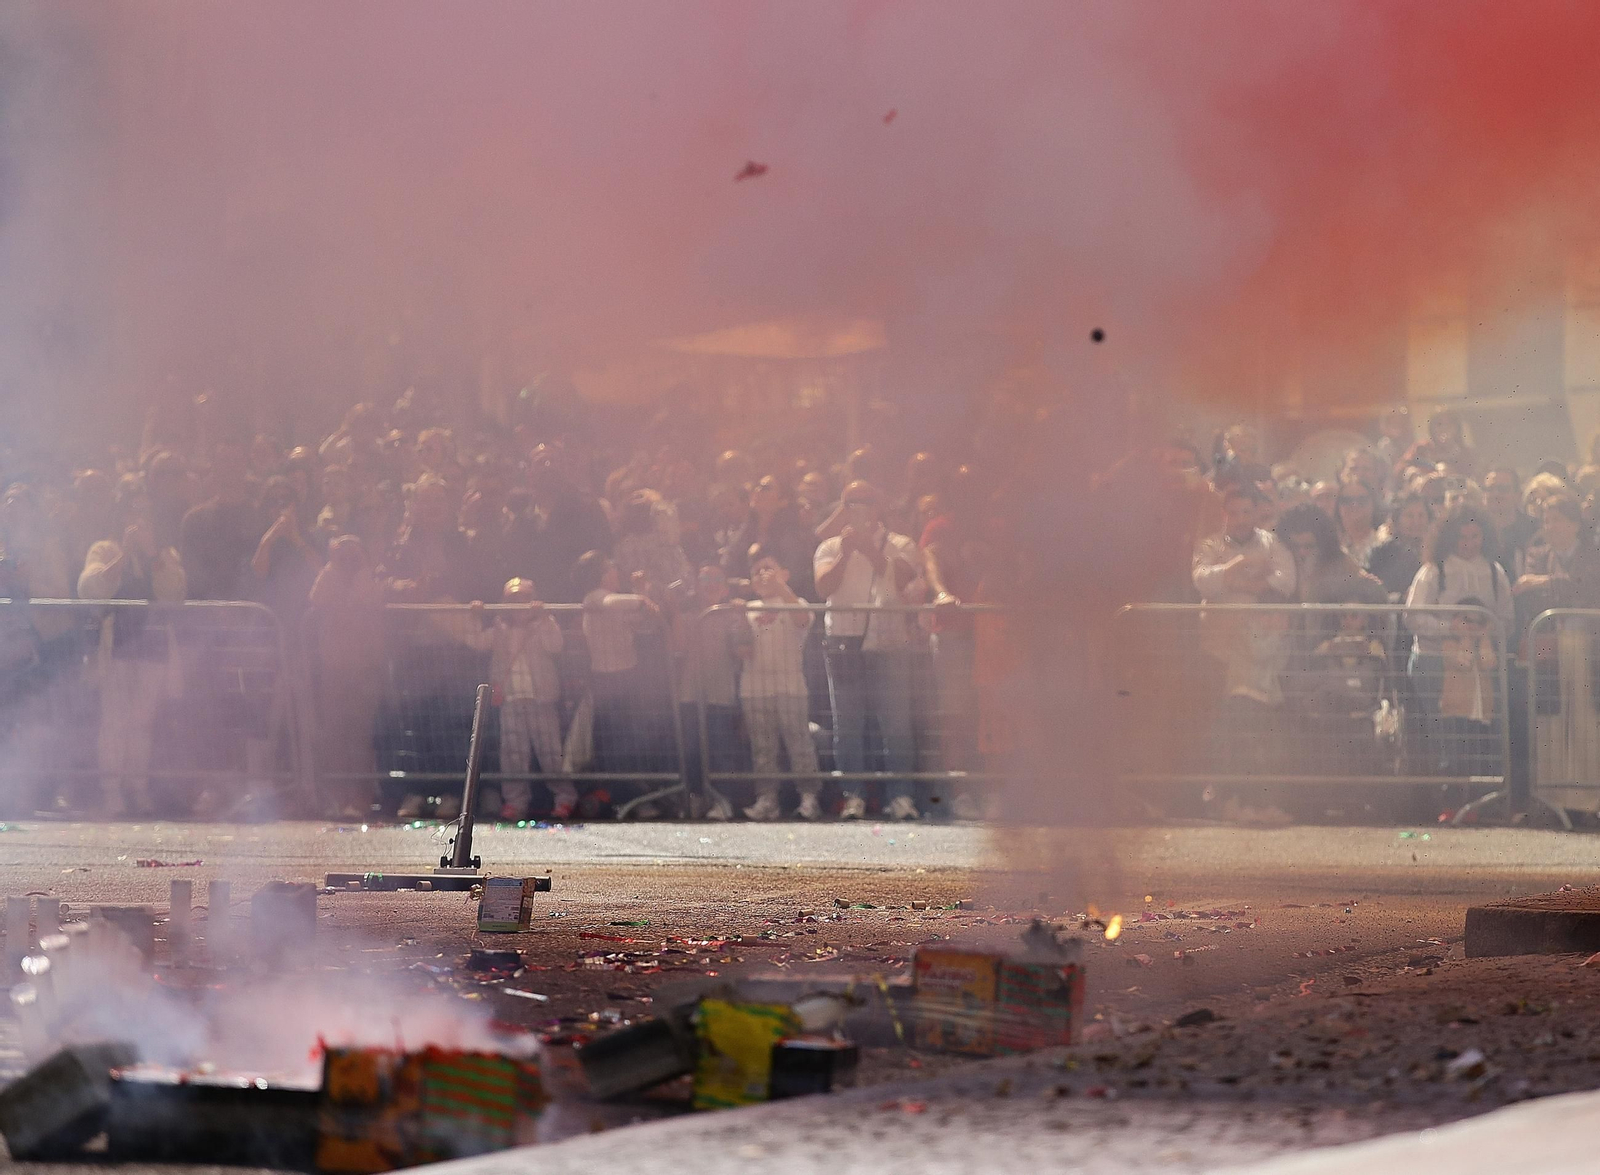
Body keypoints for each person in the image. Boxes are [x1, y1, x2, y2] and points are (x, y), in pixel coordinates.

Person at [812, 481, 925, 820]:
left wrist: (871, 550)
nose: (858, 508)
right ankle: (853, 796)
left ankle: (901, 795)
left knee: (896, 723)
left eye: (864, 501)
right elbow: (822, 587)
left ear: (878, 508)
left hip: (889, 641)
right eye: (850, 502)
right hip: (844, 641)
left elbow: (903, 579)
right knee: (847, 724)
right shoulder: (830, 546)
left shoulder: (900, 543)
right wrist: (848, 552)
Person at [78, 498, 187, 816]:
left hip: (152, 646)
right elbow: (90, 589)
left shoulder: (164, 554)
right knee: (114, 721)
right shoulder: (103, 550)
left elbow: (174, 592)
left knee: (143, 723)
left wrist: (152, 554)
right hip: (118, 646)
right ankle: (112, 792)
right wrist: (124, 553)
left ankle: (137, 788)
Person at [465, 578, 573, 821]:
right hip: (511, 701)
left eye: (523, 598)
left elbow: (556, 646)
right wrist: (474, 617)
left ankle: (565, 798)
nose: (519, 605)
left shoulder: (544, 623)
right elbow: (475, 642)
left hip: (541, 699)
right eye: (513, 600)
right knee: (513, 756)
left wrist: (544, 618)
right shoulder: (499, 629)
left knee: (551, 754)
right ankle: (515, 802)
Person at [1403, 506, 1514, 732]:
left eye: (1475, 537)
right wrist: (1450, 627)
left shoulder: (1495, 572)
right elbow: (1413, 617)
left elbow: (1507, 620)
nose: (1469, 544)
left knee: (1480, 731)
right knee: (1438, 730)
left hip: (1480, 665)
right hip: (1435, 661)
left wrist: (1486, 631)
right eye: (1462, 537)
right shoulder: (1433, 571)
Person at [306, 535, 386, 817]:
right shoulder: (329, 577)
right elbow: (316, 598)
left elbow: (369, 598)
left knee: (360, 736)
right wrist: (332, 566)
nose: (348, 560)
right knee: (335, 736)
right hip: (333, 669)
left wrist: (362, 568)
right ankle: (338, 799)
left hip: (364, 670)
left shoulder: (370, 578)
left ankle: (360, 798)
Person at [738, 551, 821, 820]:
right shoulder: (747, 609)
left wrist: (781, 587)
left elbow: (802, 620)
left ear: (784, 573)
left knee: (799, 743)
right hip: (755, 688)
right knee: (763, 748)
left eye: (768, 568)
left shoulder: (797, 603)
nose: (763, 574)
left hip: (790, 686)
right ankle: (767, 799)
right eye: (757, 571)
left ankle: (808, 797)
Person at [1192, 484, 1296, 604]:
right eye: (1233, 513)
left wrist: (1249, 586)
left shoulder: (1272, 543)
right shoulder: (1209, 545)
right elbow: (1200, 580)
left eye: (1246, 512)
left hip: (1261, 619)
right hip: (1219, 619)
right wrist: (1237, 564)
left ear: (1256, 512)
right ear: (1223, 514)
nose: (1240, 520)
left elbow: (1287, 579)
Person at [1366, 493, 1430, 601]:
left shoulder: (1436, 552)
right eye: (1409, 516)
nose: (1416, 522)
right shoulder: (1382, 552)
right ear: (1397, 520)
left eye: (1421, 515)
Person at [1483, 468, 1537, 581]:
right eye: (1490, 489)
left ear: (1518, 495)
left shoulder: (1535, 529)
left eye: (1503, 489)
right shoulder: (1475, 530)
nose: (1496, 494)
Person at [1334, 478, 1383, 566]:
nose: (1354, 505)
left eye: (1362, 500)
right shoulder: (1332, 547)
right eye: (1347, 500)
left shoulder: (1384, 544)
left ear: (1373, 504)